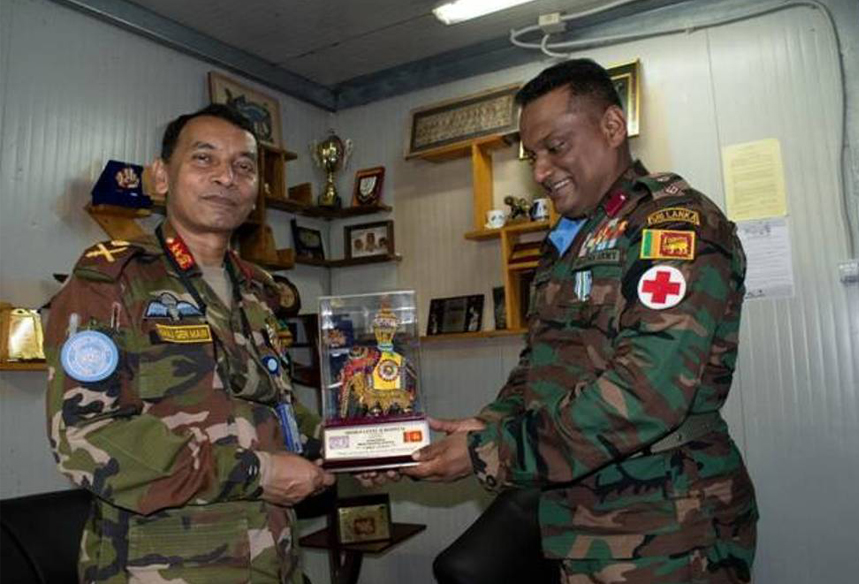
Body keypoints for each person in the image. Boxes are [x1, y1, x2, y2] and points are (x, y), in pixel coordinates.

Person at [403, 59, 758, 583]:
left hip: (669, 525)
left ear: (612, 128)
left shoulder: (673, 223)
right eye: (533, 156)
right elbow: (540, 365)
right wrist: (492, 422)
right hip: (578, 519)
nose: (541, 171)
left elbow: (645, 394)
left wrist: (489, 454)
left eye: (556, 147)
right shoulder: (572, 240)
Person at [45, 103, 335, 583]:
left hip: (273, 559)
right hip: (165, 567)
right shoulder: (112, 280)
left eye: (243, 166)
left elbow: (277, 409)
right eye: (204, 159)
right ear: (160, 177)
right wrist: (257, 473)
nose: (226, 177)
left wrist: (357, 447)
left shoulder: (257, 290)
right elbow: (87, 434)